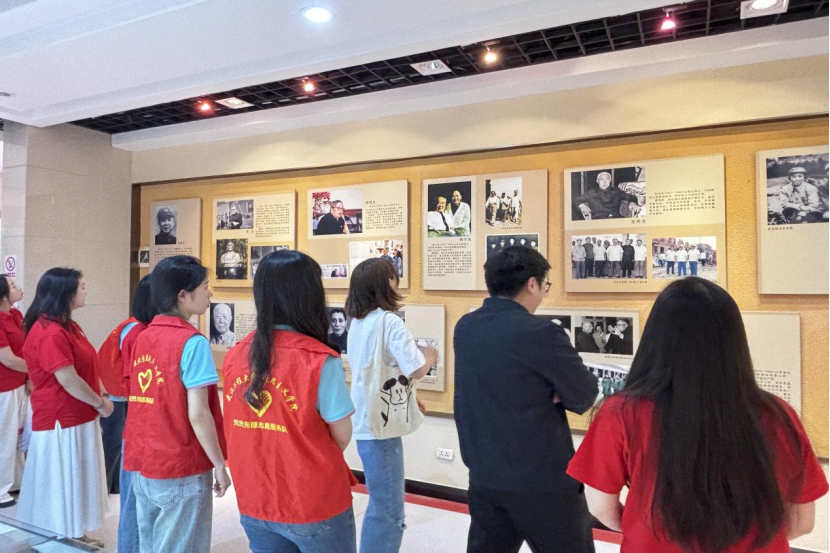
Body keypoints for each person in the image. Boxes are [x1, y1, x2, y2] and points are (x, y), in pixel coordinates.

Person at [568, 278, 829, 552]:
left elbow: (600, 507)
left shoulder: (621, 413)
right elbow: (802, 522)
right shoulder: (778, 415)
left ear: (656, 339)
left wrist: (645, 529)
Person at [454, 247, 598, 553]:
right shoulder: (542, 333)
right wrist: (552, 391)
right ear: (532, 283)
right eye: (545, 285)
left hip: (484, 475)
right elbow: (584, 395)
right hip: (543, 482)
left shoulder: (465, 327)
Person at [223, 250, 358, 553]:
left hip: (255, 500)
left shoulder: (236, 355)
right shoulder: (319, 359)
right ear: (310, 295)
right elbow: (341, 435)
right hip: (312, 500)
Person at [123, 256, 229, 553]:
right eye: (205, 287)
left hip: (144, 463)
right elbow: (198, 413)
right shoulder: (193, 343)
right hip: (180, 465)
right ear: (183, 295)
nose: (210, 293)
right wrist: (219, 464)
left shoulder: (144, 337)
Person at [345, 258, 438, 553]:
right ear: (388, 283)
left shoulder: (358, 322)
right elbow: (416, 369)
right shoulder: (389, 321)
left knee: (381, 501)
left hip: (365, 417)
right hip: (381, 427)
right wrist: (430, 356)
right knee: (389, 509)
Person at [18, 269, 113, 548]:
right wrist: (100, 403)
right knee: (61, 480)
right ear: (66, 292)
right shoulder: (50, 332)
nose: (85, 291)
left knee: (77, 478)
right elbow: (68, 379)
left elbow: (85, 368)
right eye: (82, 287)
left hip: (80, 413)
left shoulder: (69, 326)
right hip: (61, 417)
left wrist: (100, 396)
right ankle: (58, 537)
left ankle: (72, 532)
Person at [96, 275, 158, 553]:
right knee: (114, 442)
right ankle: (109, 485)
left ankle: (114, 486)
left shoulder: (135, 325)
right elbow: (133, 371)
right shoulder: (136, 330)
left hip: (120, 392)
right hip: (119, 394)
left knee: (118, 443)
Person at [0, 275, 27, 509]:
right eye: (13, 286)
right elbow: (7, 358)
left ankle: (16, 481)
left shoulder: (16, 315)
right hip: (4, 387)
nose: (19, 288)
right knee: (5, 437)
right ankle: (0, 490)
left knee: (18, 437)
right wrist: (38, 369)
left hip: (19, 384)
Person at [575, 172, 641, 220]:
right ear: (597, 181)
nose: (604, 182)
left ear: (610, 181)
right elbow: (576, 200)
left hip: (617, 219)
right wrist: (582, 206)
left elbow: (632, 197)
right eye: (602, 179)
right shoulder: (591, 192)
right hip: (599, 221)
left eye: (607, 179)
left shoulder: (617, 191)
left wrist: (633, 203)